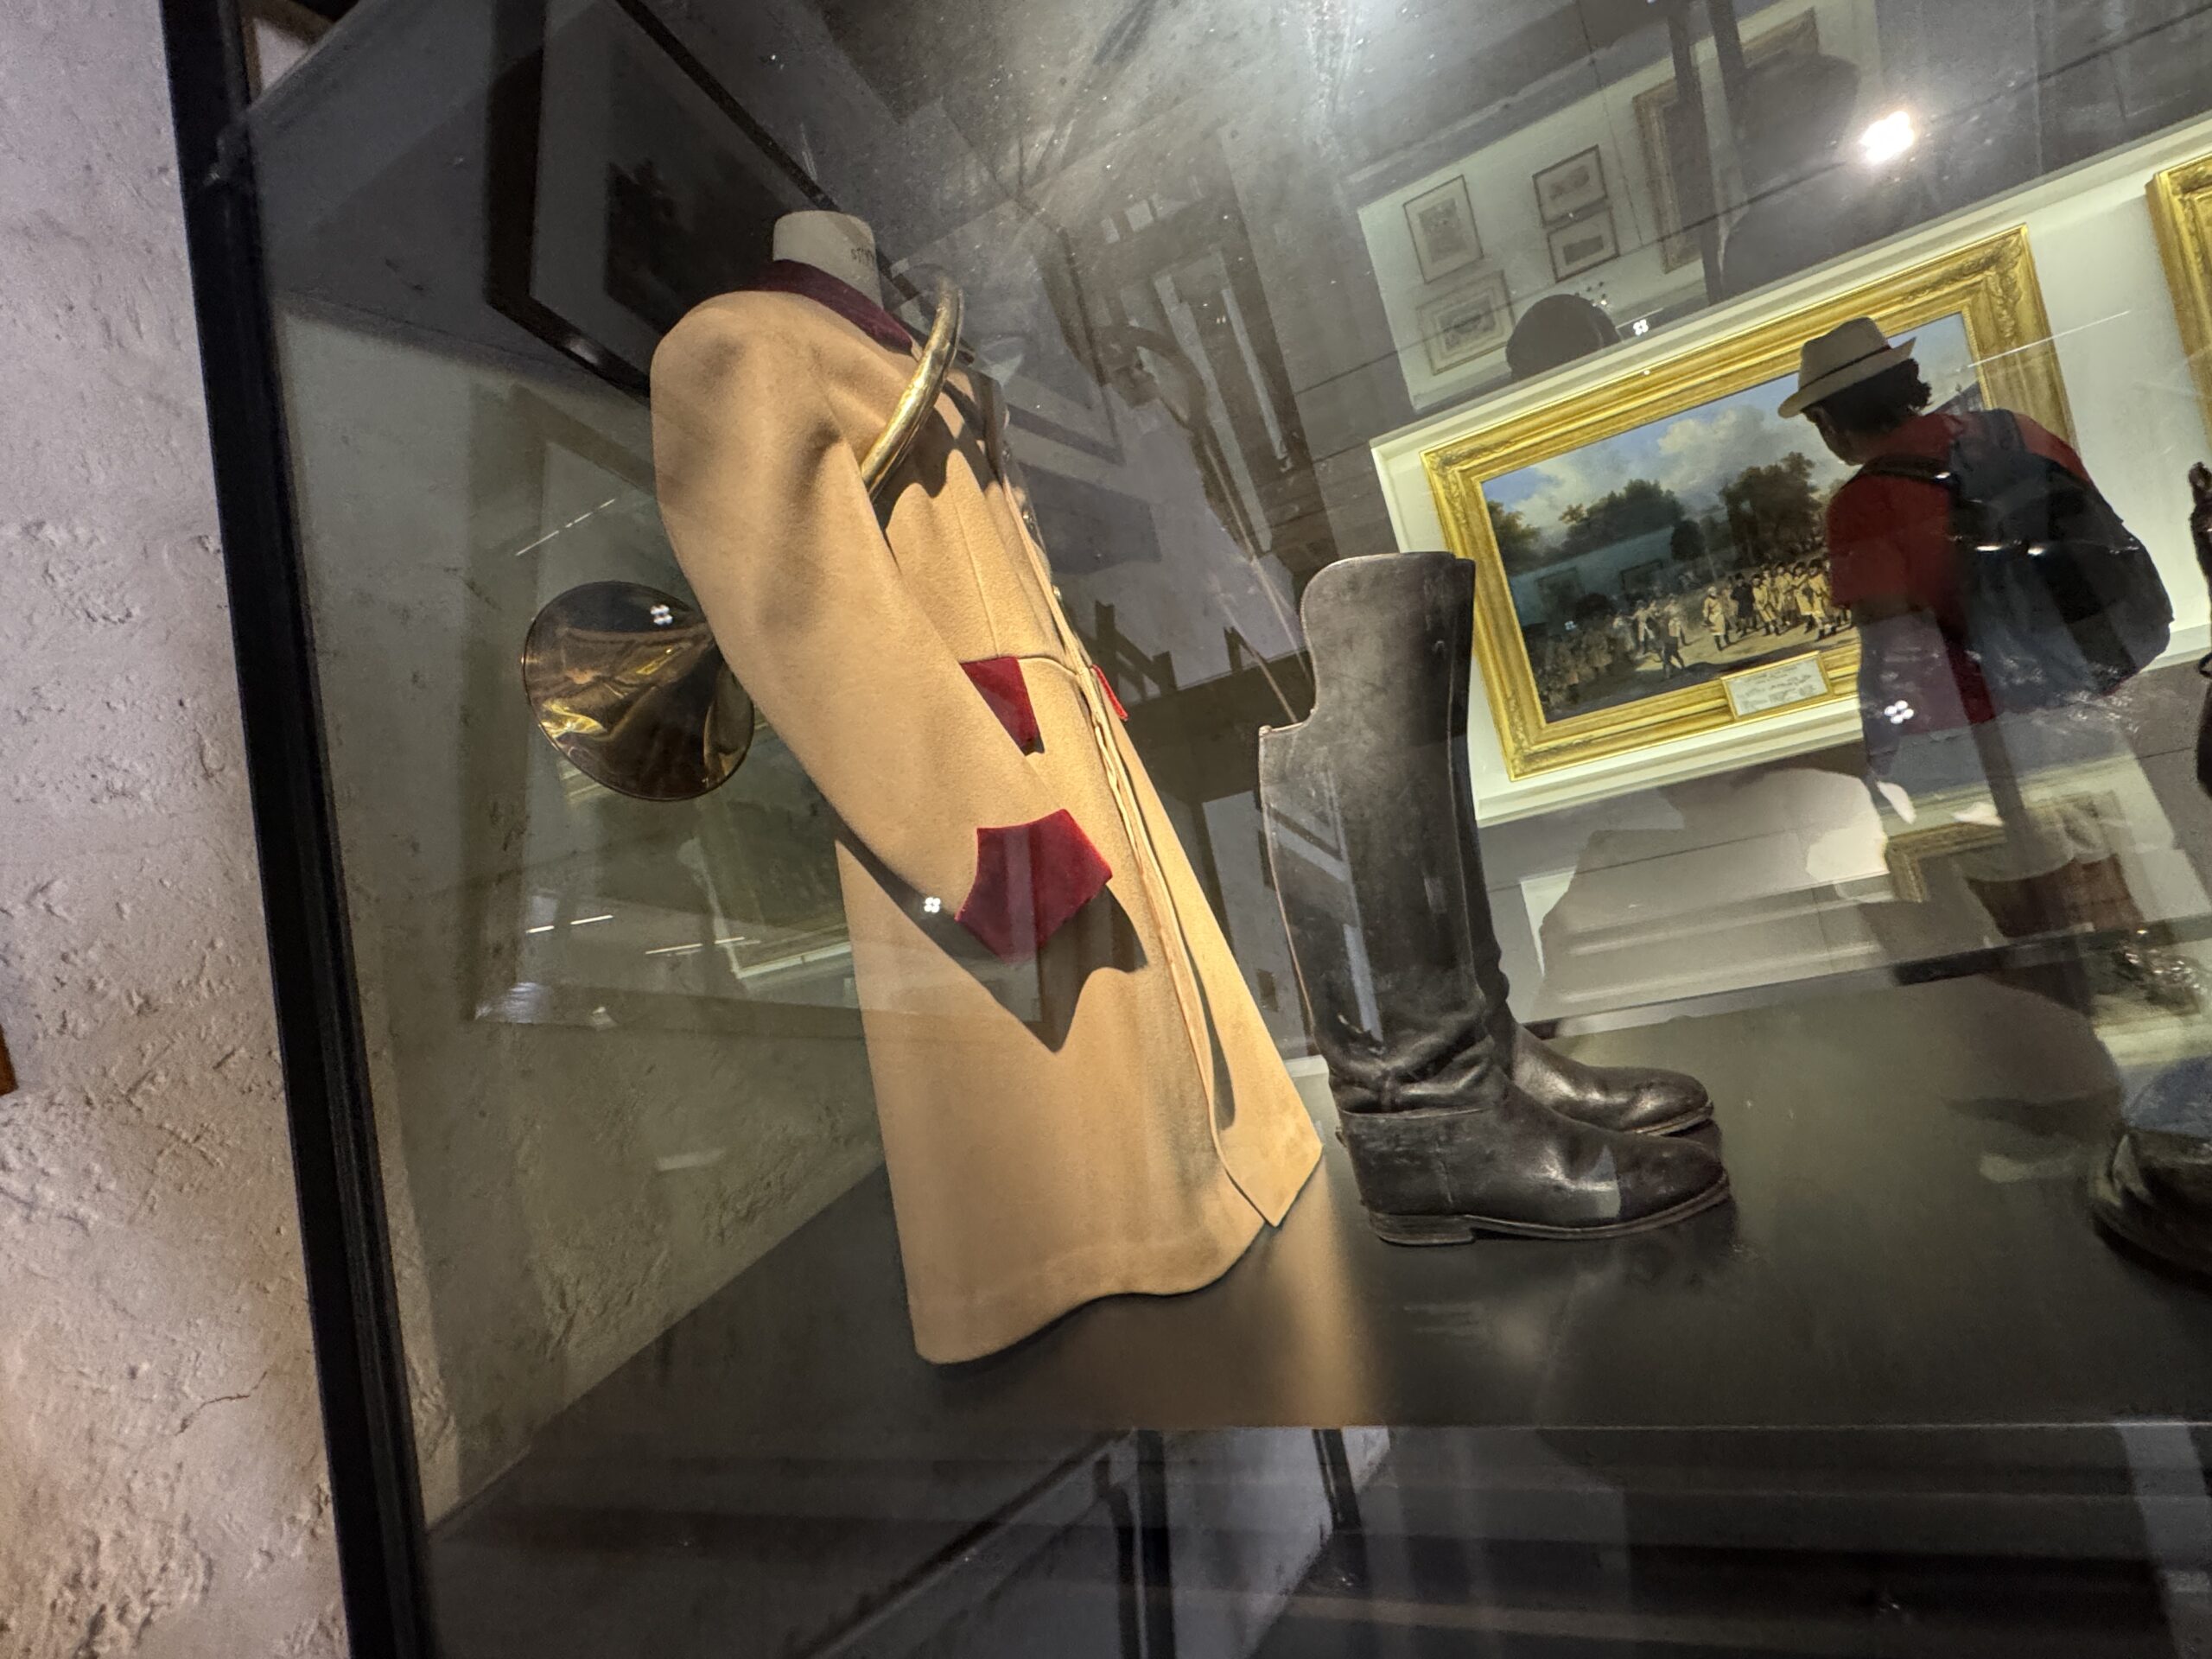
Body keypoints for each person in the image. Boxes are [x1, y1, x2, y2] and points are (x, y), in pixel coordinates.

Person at [1783, 315, 2193, 1008]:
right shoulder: (2016, 434)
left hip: (1973, 741)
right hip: (2077, 704)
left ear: (1827, 420)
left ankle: (2080, 1047)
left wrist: (1890, 754)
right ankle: (2170, 1013)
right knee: (2109, 892)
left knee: (2034, 930)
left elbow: (1896, 646)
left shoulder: (1863, 503)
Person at [1700, 585, 1730, 652]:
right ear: (1710, 593)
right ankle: (1719, 646)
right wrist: (1706, 617)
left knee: (1725, 628)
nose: (1714, 593)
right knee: (1716, 632)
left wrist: (1725, 608)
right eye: (1713, 592)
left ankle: (1727, 641)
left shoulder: (1718, 597)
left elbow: (1722, 604)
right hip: (1714, 617)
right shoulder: (1707, 601)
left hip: (1721, 615)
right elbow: (1706, 609)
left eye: (1715, 591)